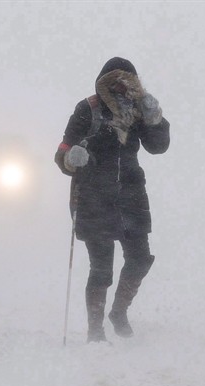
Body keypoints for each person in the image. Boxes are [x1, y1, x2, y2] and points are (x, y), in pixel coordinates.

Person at [54, 57, 170, 343]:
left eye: (127, 82)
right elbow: (62, 155)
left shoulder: (139, 111)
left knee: (140, 259)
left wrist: (156, 120)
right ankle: (95, 331)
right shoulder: (88, 109)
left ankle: (118, 311)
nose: (122, 88)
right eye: (115, 82)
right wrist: (71, 159)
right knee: (102, 267)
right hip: (94, 196)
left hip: (131, 195)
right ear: (105, 83)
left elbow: (158, 147)